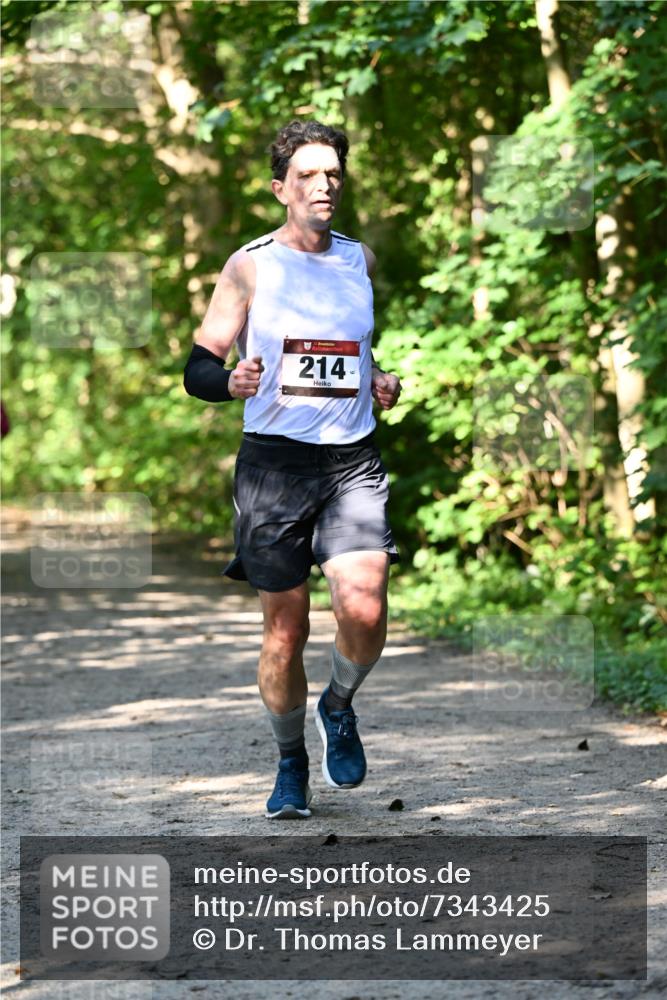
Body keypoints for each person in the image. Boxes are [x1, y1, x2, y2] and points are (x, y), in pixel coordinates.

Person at [184, 120, 401, 819]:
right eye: (307, 174)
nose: (323, 184)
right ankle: (288, 762)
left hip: (351, 460)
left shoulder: (357, 260)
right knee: (285, 631)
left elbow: (354, 352)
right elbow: (197, 368)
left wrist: (379, 379)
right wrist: (231, 384)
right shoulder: (249, 265)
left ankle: (337, 706)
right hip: (274, 467)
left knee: (364, 610)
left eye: (332, 173)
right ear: (281, 188)